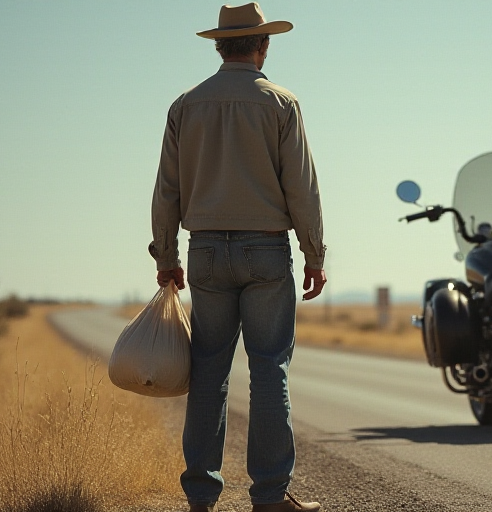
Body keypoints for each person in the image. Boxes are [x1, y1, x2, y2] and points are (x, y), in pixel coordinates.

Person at [148, 3, 326, 511]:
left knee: (208, 371)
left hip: (204, 251)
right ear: (263, 45)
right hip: (266, 250)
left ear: (219, 47)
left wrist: (166, 254)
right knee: (270, 369)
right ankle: (270, 497)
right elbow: (302, 189)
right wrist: (314, 253)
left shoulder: (185, 105)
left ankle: (201, 498)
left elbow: (167, 190)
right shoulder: (282, 103)